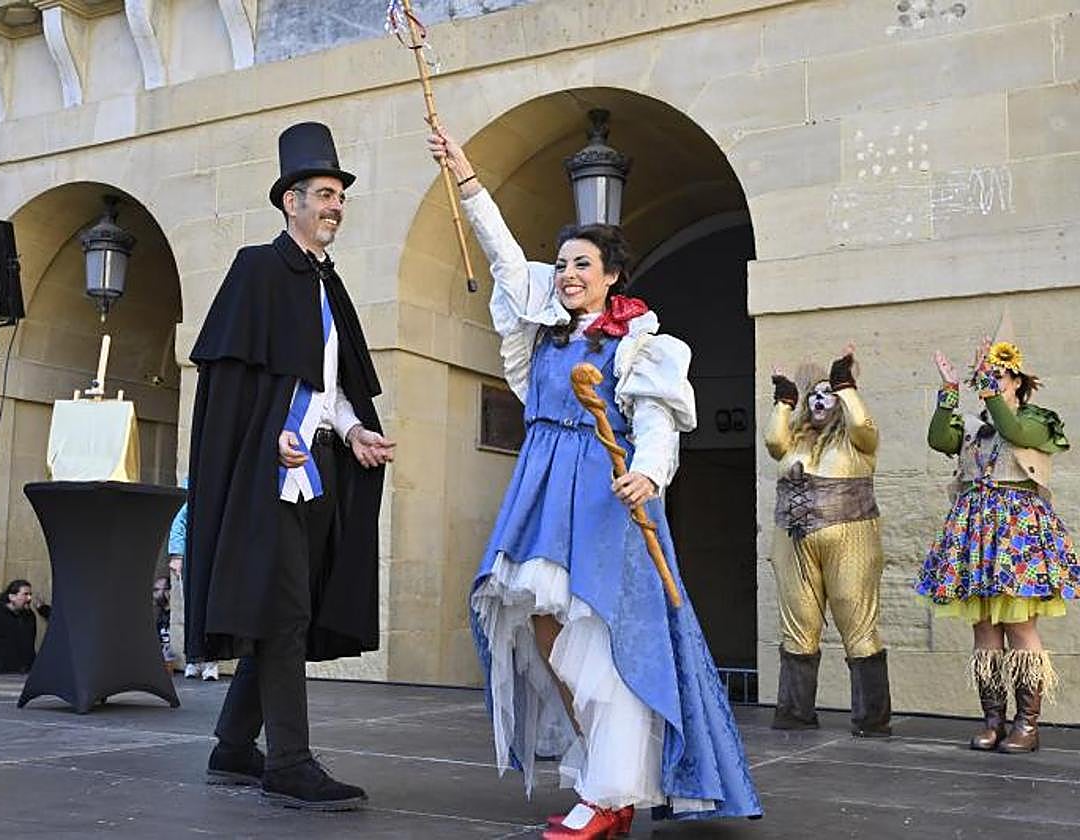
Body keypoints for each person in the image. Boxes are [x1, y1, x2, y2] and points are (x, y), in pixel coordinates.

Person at [429, 128, 760, 839]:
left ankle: (612, 794)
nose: (568, 274)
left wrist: (647, 471)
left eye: (583, 264)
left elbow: (657, 420)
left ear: (613, 275)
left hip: (604, 499)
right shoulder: (542, 338)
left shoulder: (640, 343)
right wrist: (467, 179)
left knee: (605, 639)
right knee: (548, 627)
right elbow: (506, 260)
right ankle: (598, 774)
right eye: (564, 265)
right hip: (543, 492)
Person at [185, 122, 395, 809]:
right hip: (268, 471)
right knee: (284, 611)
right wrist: (267, 435)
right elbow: (236, 385)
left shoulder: (326, 286)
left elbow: (325, 387)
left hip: (321, 470)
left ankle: (233, 746)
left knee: (290, 610)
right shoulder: (257, 269)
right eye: (325, 194)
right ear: (291, 202)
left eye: (340, 196)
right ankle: (289, 762)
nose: (335, 206)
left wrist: (358, 429)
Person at [915, 329, 1079, 753]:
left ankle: (1028, 723)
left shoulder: (1038, 420)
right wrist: (949, 391)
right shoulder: (974, 428)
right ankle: (994, 720)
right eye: (985, 378)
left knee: (1020, 624)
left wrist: (988, 390)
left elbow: (1015, 430)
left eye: (1001, 376)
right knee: (984, 625)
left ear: (1018, 381)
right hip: (975, 529)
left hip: (1018, 533)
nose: (991, 384)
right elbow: (939, 439)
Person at [765, 349, 892, 737]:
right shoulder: (794, 444)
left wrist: (846, 386)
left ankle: (871, 718)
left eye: (828, 394)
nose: (819, 400)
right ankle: (795, 712)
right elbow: (773, 442)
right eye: (814, 394)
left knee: (858, 624)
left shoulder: (857, 442)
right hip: (793, 539)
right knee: (798, 626)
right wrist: (784, 401)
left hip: (851, 536)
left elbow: (865, 426)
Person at [166, 483, 218, 680]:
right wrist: (177, 555)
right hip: (194, 560)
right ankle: (193, 659)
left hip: (214, 559)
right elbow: (180, 523)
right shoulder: (194, 496)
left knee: (213, 611)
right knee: (192, 610)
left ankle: (211, 661)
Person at [0, 579, 50, 675]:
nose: (29, 598)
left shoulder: (29, 616)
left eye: (30, 594)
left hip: (25, 671)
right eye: (25, 594)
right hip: (1, 672)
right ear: (12, 597)